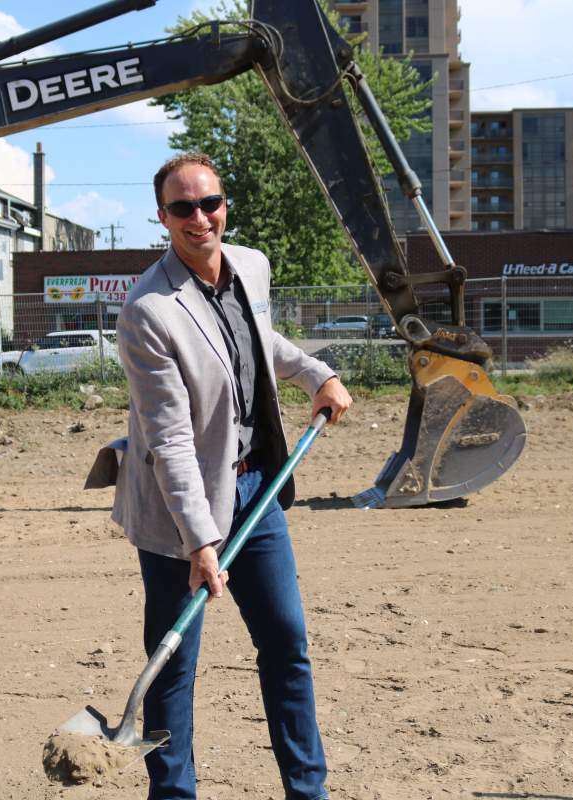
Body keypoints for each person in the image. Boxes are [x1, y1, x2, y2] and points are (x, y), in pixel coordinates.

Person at [109, 152, 351, 800]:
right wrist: (200, 540)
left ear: (224, 206)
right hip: (175, 511)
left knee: (287, 640)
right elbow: (169, 439)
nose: (199, 218)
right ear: (162, 217)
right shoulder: (147, 311)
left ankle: (308, 791)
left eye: (209, 203)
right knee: (174, 666)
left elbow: (260, 340)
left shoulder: (250, 265)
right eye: (183, 208)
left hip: (255, 489)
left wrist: (316, 373)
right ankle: (174, 794)